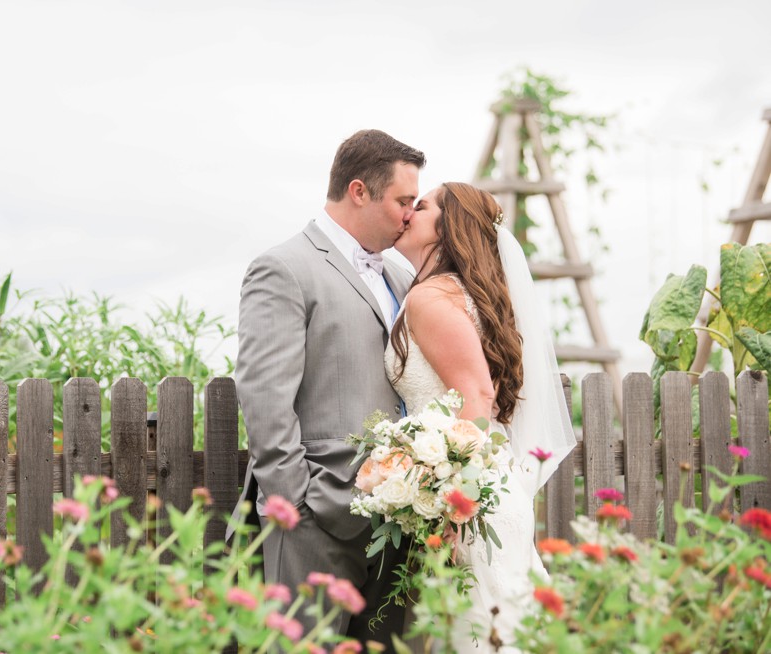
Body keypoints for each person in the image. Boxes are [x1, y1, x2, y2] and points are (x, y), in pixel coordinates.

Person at [227, 129, 426, 648]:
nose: (411, 214)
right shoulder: (285, 268)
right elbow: (265, 396)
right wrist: (300, 503)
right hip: (314, 520)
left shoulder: (403, 278)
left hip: (393, 523)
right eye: (403, 201)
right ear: (359, 191)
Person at [386, 182, 576, 652]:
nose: (409, 212)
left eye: (422, 206)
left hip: (473, 502)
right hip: (486, 488)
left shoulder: (431, 299)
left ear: (445, 231)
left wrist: (455, 504)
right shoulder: (454, 294)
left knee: (483, 634)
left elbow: (475, 395)